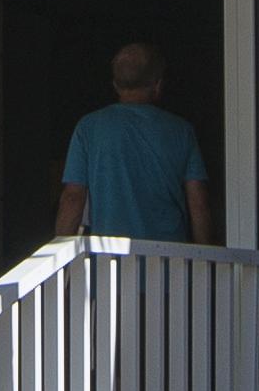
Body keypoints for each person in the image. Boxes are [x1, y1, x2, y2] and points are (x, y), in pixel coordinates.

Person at [53, 41, 214, 244]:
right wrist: (203, 259)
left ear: (115, 85)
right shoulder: (182, 131)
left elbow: (72, 198)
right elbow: (199, 203)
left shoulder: (88, 127)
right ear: (158, 84)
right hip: (170, 259)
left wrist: (60, 257)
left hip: (111, 259)